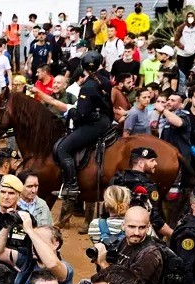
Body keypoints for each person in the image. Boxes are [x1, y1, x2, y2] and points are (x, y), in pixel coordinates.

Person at [54, 51, 113, 199]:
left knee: (63, 148)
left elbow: (81, 114)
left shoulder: (87, 86)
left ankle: (71, 185)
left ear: (83, 66)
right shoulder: (104, 80)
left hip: (93, 124)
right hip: (106, 120)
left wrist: (71, 111)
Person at [109, 147, 170, 237]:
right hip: (137, 234)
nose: (156, 163)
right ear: (141, 163)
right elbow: (154, 219)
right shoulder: (148, 186)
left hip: (113, 232)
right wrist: (172, 233)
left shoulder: (116, 180)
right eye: (152, 160)